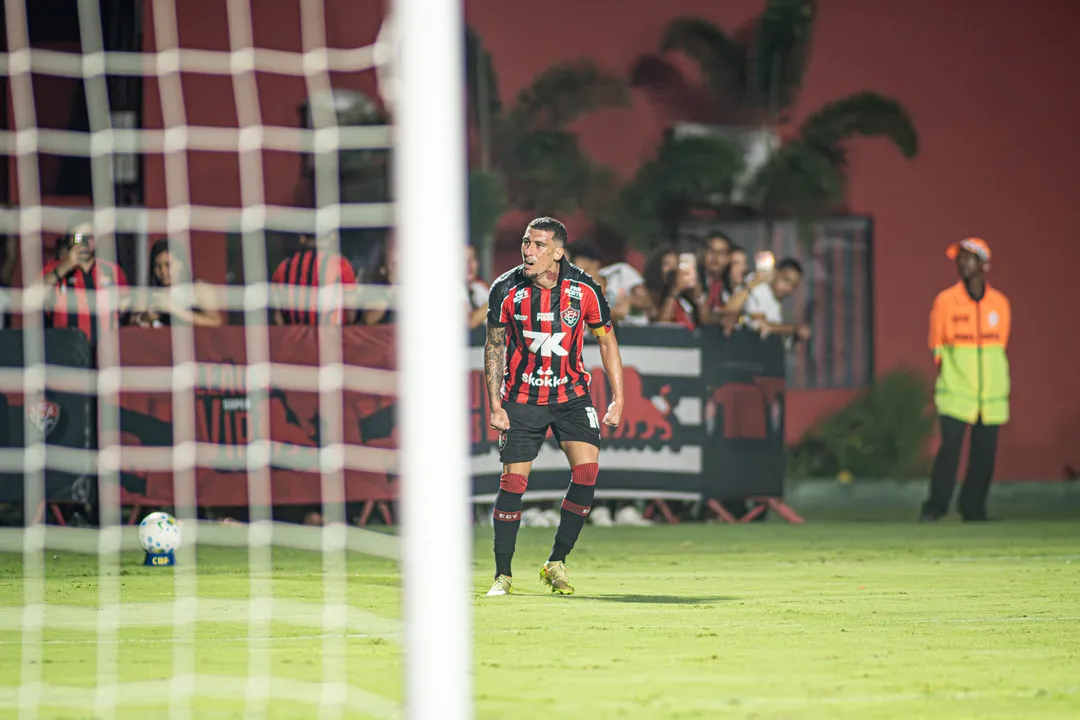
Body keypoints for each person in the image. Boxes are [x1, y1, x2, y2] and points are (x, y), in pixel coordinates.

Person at [484, 217, 624, 596]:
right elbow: (495, 347)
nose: (529, 252)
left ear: (558, 251)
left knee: (588, 473)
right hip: (522, 399)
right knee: (514, 482)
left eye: (539, 245)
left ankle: (555, 562)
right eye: (526, 243)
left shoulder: (585, 288)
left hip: (571, 397)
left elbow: (607, 342)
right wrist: (495, 404)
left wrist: (619, 396)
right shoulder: (505, 288)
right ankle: (503, 574)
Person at [921, 238, 1010, 522]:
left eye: (969, 257)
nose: (962, 263)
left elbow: (1000, 347)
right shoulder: (945, 301)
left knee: (984, 456)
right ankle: (936, 507)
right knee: (949, 453)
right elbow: (937, 347)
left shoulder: (1000, 304)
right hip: (956, 392)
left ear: (984, 264)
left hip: (992, 395)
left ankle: (973, 508)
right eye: (960, 258)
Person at [37, 220, 131, 344]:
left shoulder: (113, 271)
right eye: (79, 236)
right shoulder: (53, 269)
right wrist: (65, 267)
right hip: (64, 349)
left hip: (106, 349)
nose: (84, 242)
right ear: (70, 240)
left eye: (89, 237)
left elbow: (126, 307)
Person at [271, 234, 358, 325]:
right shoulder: (340, 264)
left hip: (292, 336)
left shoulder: (283, 267)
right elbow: (351, 314)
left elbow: (276, 315)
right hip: (331, 334)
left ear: (302, 239)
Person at [134, 238, 223, 327]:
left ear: (181, 264)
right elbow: (131, 322)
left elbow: (215, 322)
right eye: (158, 266)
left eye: (168, 265)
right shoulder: (148, 293)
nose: (163, 272)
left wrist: (174, 310)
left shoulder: (199, 290)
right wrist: (146, 317)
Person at [743, 257, 811, 341]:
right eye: (786, 279)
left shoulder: (776, 304)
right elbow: (761, 325)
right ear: (775, 272)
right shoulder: (756, 284)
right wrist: (794, 329)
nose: (788, 288)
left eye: (793, 285)